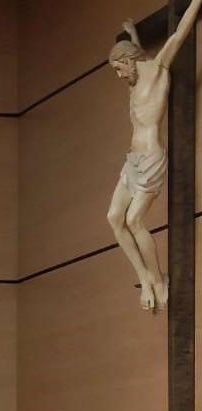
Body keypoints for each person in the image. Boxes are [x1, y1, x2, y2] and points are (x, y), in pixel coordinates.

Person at [108, 0, 202, 312]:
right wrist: (133, 33)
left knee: (134, 220)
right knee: (113, 219)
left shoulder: (159, 69)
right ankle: (145, 278)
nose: (120, 77)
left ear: (128, 63)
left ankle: (159, 281)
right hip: (131, 159)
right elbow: (135, 52)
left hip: (150, 158)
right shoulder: (135, 73)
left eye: (119, 69)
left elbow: (178, 35)